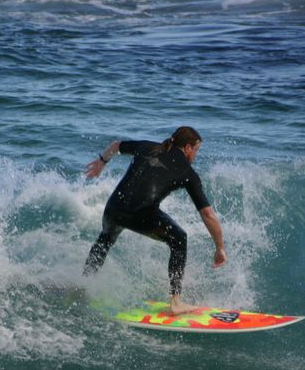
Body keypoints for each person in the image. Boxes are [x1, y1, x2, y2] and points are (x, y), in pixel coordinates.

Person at [83, 126, 227, 315]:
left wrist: (102, 161)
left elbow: (117, 145)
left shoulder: (146, 146)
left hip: (114, 208)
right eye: (197, 150)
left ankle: (84, 283)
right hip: (140, 215)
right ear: (188, 148)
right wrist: (220, 247)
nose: (196, 155)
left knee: (106, 238)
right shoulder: (187, 172)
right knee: (179, 239)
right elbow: (207, 214)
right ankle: (176, 302)